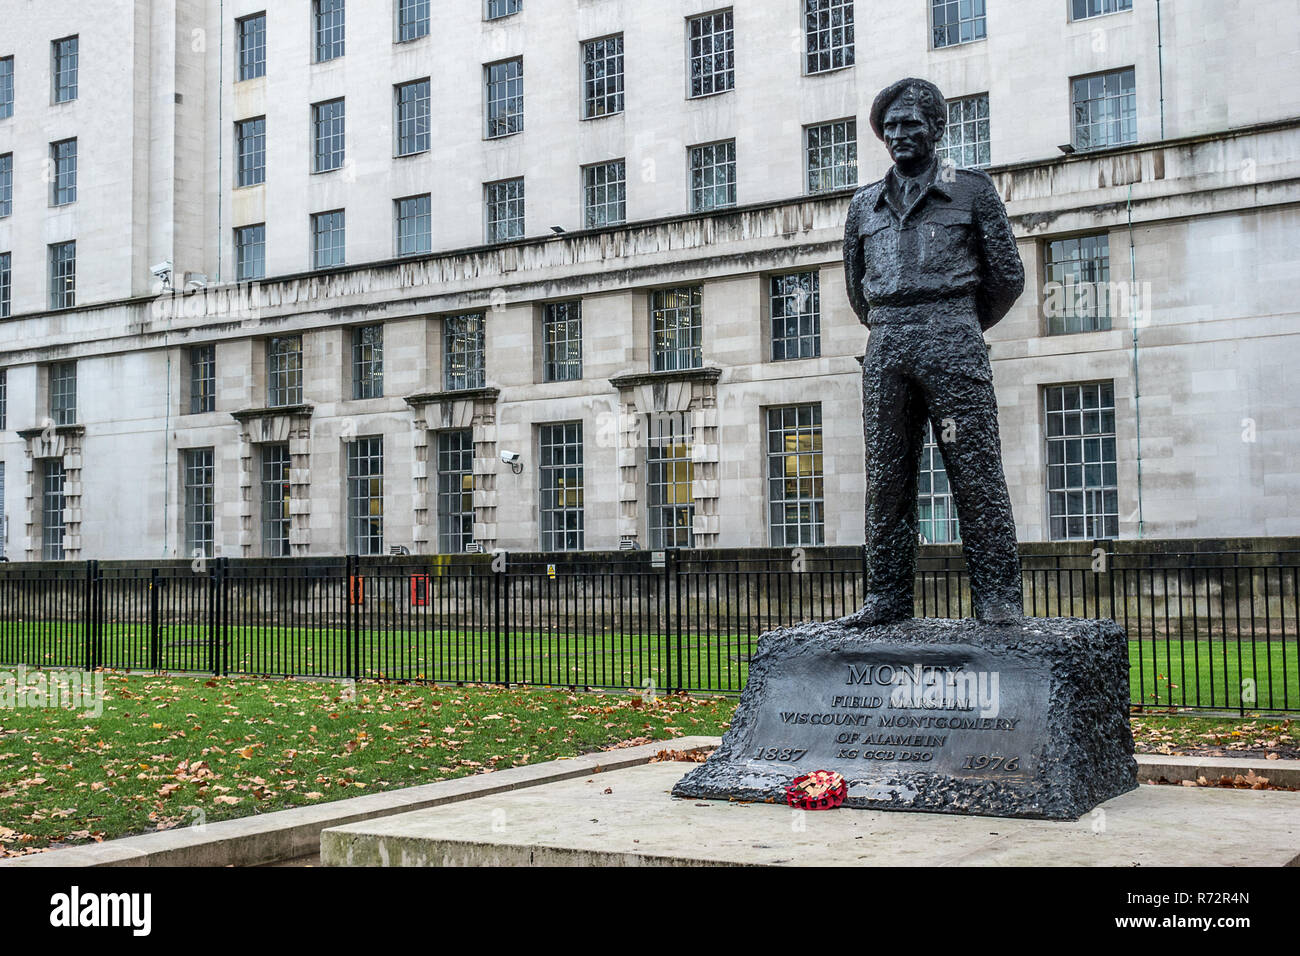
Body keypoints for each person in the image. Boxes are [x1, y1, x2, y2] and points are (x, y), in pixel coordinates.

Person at [841, 78, 1025, 625]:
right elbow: (858, 289)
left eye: (911, 123)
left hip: (952, 335)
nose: (900, 134)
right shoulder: (863, 206)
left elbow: (1007, 277)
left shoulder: (971, 191)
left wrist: (959, 322)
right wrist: (894, 324)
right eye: (890, 126)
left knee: (975, 469)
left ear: (937, 128)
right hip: (889, 341)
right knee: (886, 475)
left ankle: (997, 599)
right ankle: (886, 598)